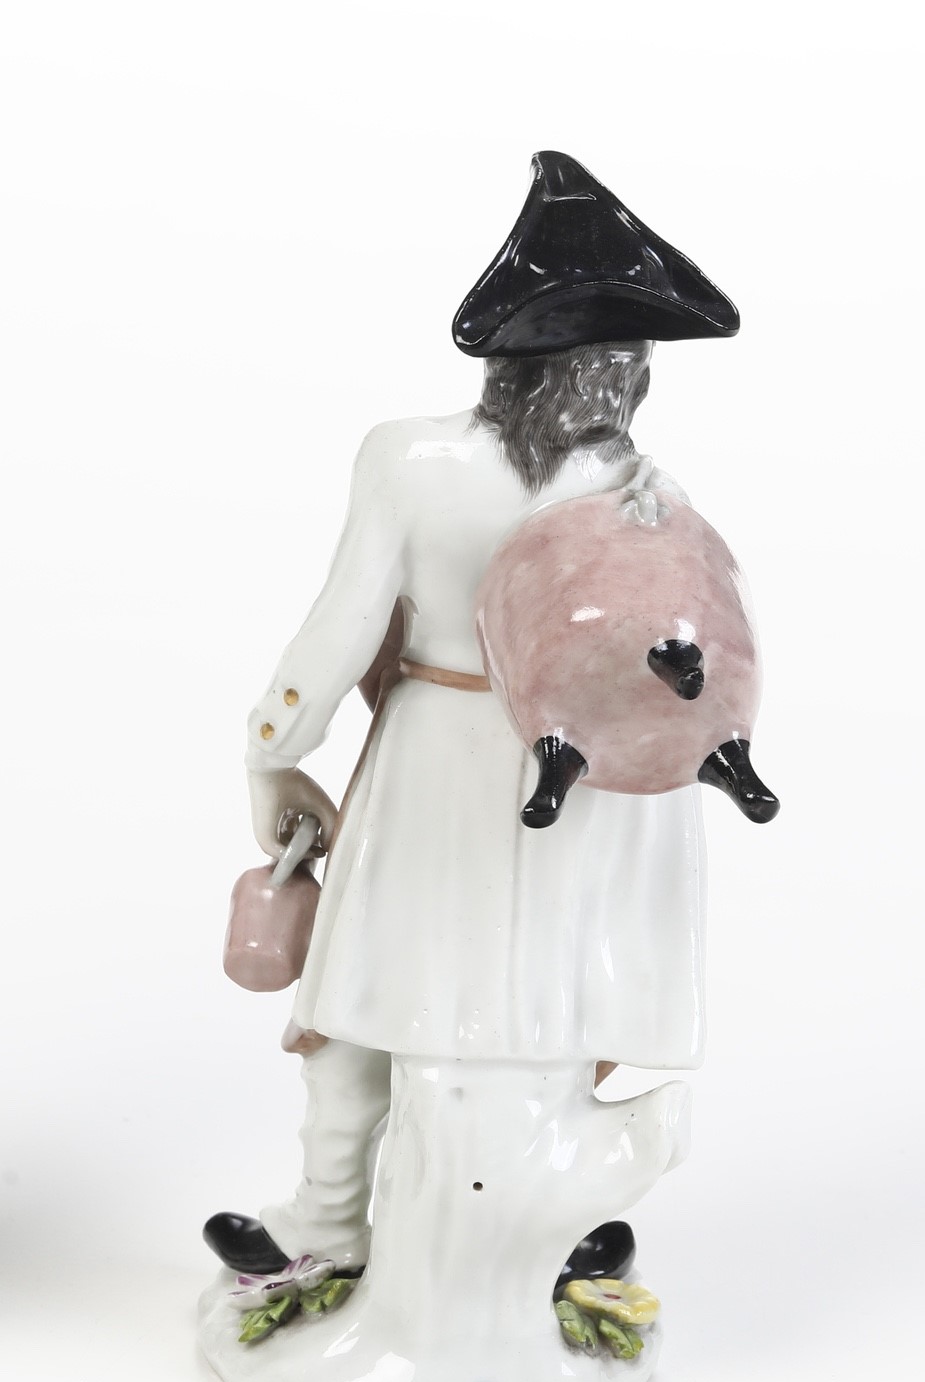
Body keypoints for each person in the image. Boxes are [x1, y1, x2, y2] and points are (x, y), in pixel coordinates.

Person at [204, 152, 741, 1279]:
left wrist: (270, 754)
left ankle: (339, 1216)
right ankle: (500, 1224)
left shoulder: (411, 461)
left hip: (439, 767)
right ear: (623, 375)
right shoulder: (651, 497)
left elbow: (334, 637)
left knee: (366, 999)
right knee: (552, 1012)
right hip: (595, 797)